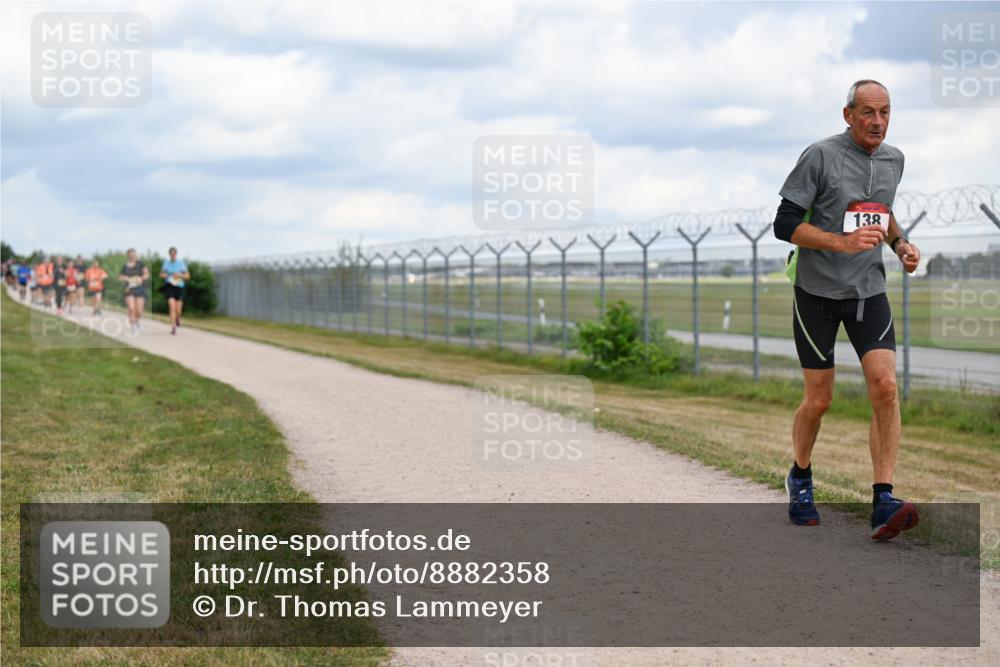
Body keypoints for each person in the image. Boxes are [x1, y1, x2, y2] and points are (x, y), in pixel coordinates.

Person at [773, 80, 921, 540]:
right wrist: (840, 243)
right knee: (820, 400)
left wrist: (900, 244)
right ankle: (800, 477)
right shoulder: (819, 155)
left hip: (867, 292)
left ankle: (883, 498)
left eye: (886, 112)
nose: (878, 121)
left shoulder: (894, 159)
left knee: (885, 386)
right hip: (816, 292)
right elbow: (784, 224)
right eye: (868, 113)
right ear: (848, 114)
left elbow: (882, 211)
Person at [159, 246, 190, 335]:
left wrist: (179, 275)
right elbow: (161, 274)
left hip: (179, 287)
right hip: (169, 286)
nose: (173, 255)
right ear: (169, 254)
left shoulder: (181, 263)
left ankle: (178, 318)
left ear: (176, 254)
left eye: (174, 254)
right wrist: (166, 275)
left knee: (178, 310)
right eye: (171, 254)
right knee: (171, 306)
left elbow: (187, 276)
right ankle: (173, 327)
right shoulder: (166, 263)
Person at [119, 249, 150, 334]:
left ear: (136, 255)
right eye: (131, 254)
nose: (132, 256)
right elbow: (120, 277)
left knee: (139, 310)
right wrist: (125, 278)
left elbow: (147, 274)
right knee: (131, 308)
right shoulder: (125, 266)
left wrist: (141, 278)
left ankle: (136, 321)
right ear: (128, 256)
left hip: (140, 288)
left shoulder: (141, 264)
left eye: (134, 254)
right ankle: (133, 325)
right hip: (129, 289)